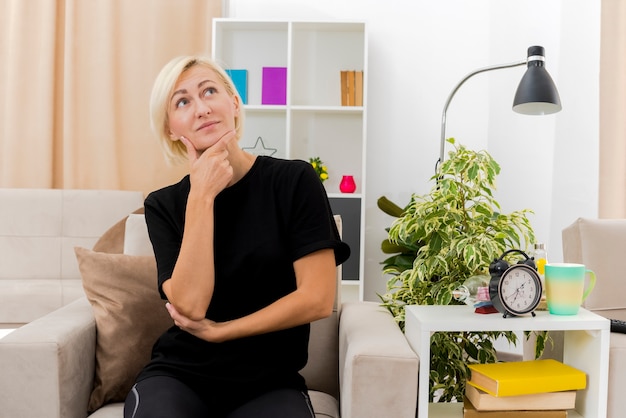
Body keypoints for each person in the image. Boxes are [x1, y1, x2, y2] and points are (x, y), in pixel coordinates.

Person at [123, 55, 349, 418]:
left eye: (209, 91)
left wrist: (224, 331)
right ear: (170, 127)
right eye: (182, 101)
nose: (201, 109)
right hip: (178, 375)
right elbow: (191, 306)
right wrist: (202, 195)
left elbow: (318, 299)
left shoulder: (293, 182)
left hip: (270, 380)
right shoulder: (163, 205)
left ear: (234, 103)